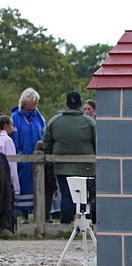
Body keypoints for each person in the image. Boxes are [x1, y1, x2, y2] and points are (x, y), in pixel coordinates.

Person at [42, 91, 97, 226]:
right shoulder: (89, 122)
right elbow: (97, 142)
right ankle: (86, 224)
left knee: (66, 195)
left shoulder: (55, 121)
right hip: (87, 167)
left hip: (62, 166)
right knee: (85, 196)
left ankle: (65, 223)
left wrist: (49, 156)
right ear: (79, 104)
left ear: (67, 103)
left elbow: (47, 143)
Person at [10, 88, 46, 223]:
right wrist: (19, 154)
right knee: (24, 186)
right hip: (23, 159)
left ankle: (40, 216)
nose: (36, 104)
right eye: (34, 102)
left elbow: (44, 133)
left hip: (38, 158)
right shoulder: (16, 118)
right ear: (25, 102)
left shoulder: (39, 117)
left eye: (37, 102)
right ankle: (24, 216)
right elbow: (15, 137)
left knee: (39, 187)